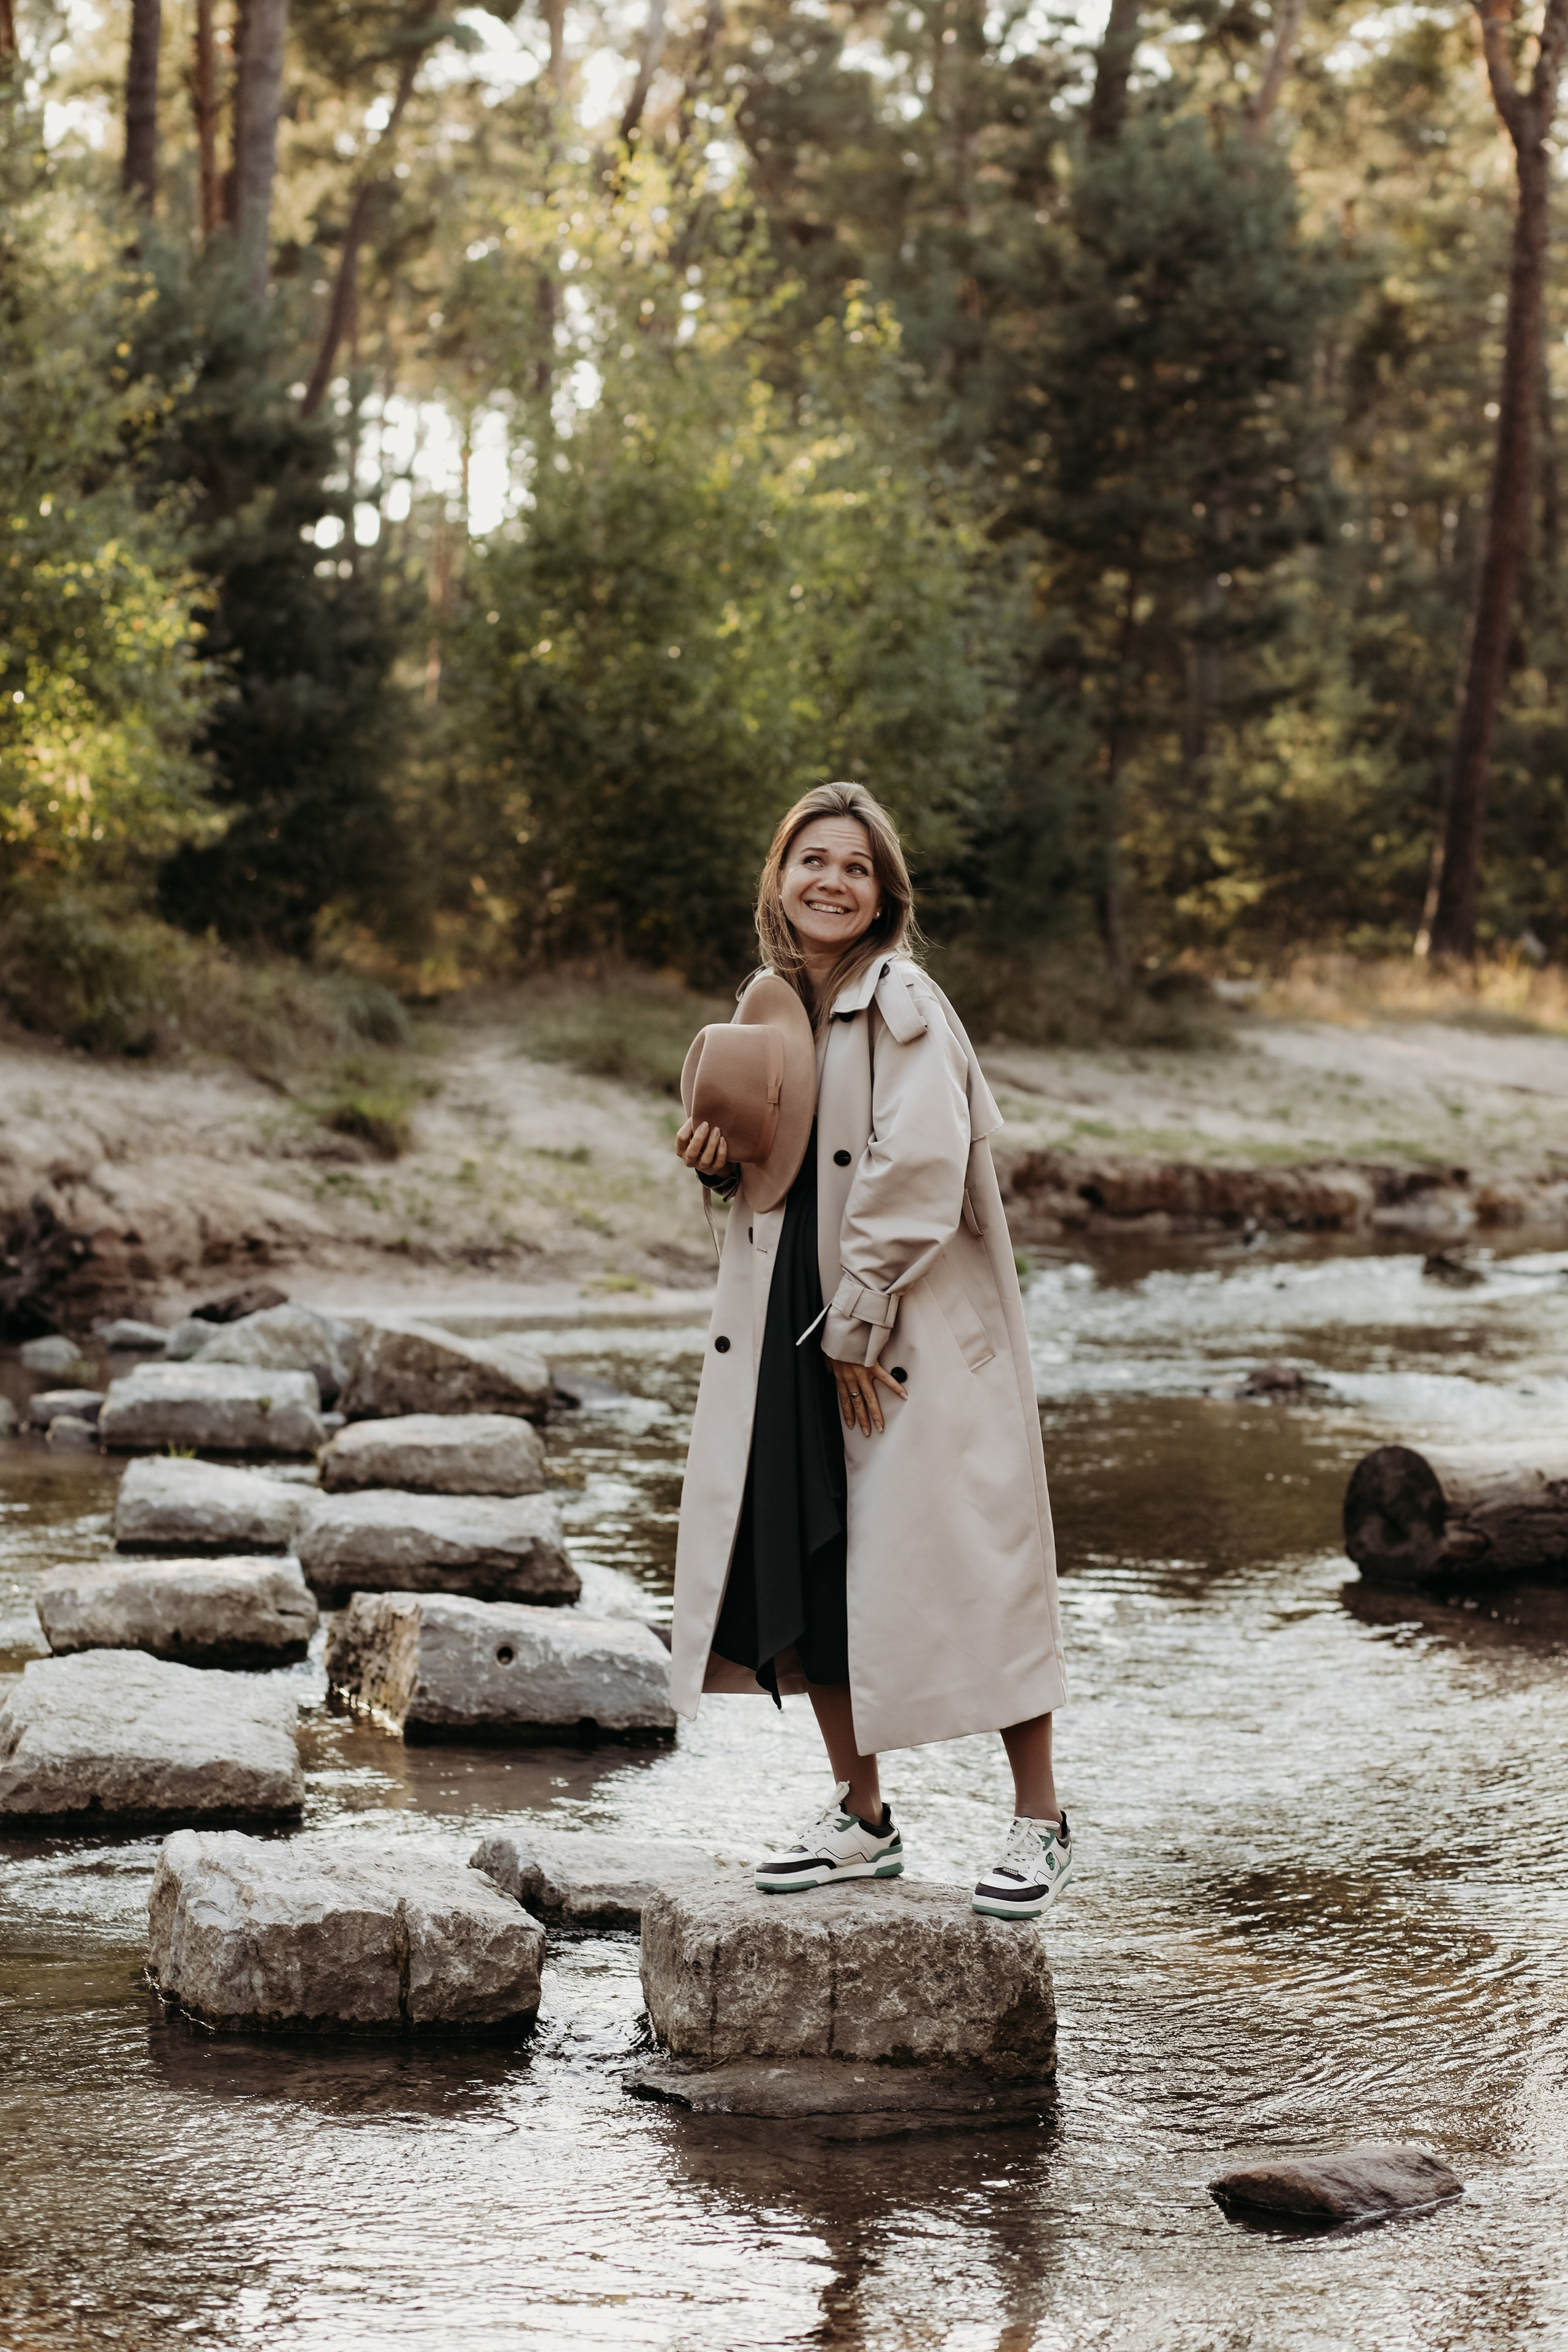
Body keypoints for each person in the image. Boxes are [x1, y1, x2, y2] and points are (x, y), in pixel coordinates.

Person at [669, 781, 1071, 1920]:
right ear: (779, 882)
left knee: (973, 1558)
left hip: (897, 1334)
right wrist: (714, 1156)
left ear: (885, 894)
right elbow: (772, 1173)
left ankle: (1041, 1822)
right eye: (813, 861)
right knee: (817, 1561)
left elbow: (919, 1167)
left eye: (855, 866)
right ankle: (862, 1816)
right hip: (789, 1333)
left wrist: (856, 1318)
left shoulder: (904, 1001)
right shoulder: (774, 1013)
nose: (832, 880)